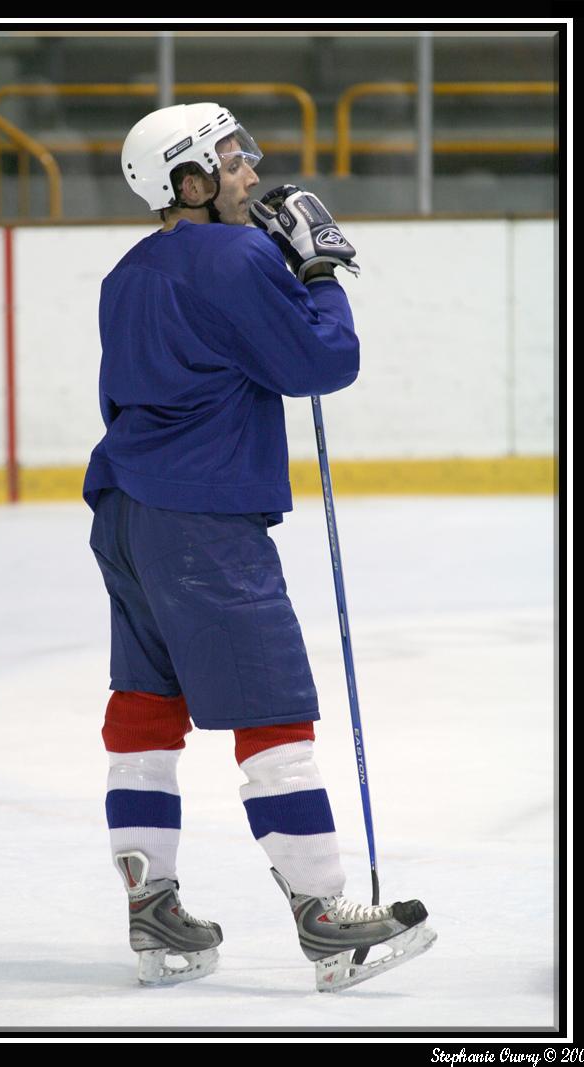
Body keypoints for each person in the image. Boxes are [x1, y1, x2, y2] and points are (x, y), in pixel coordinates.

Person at [83, 103, 435, 992]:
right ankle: (326, 921)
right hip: (202, 520)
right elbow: (321, 364)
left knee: (144, 707)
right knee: (271, 710)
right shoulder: (238, 254)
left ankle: (151, 906)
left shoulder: (123, 274)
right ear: (187, 183)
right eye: (231, 161)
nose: (251, 172)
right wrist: (319, 271)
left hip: (125, 513)